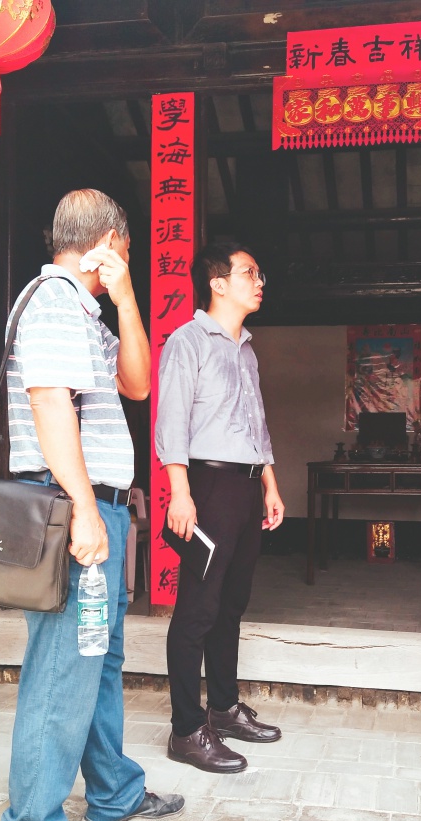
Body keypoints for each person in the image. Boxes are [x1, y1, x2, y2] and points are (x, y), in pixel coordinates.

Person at [0, 189, 183, 821]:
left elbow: (136, 384)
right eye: (125, 252)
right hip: (69, 507)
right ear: (108, 243)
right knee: (62, 667)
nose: (125, 262)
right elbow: (50, 405)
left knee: (98, 658)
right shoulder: (51, 300)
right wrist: (82, 508)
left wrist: (126, 295)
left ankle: (113, 792)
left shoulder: (85, 310)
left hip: (98, 507)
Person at [155, 242, 285, 774]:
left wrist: (270, 484)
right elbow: (171, 422)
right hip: (207, 485)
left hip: (247, 486)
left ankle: (224, 709)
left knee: (232, 603)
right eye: (250, 273)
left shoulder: (246, 350)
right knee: (198, 609)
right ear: (218, 283)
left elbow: (258, 424)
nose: (260, 282)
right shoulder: (187, 342)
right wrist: (180, 492)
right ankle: (187, 729)